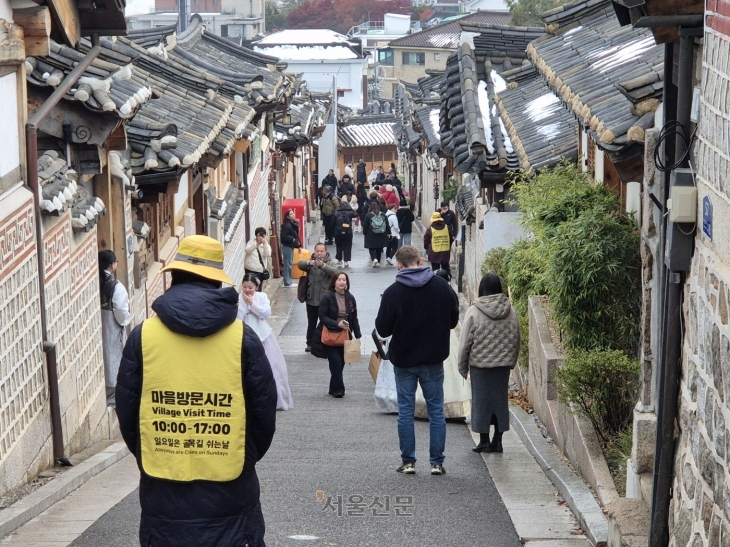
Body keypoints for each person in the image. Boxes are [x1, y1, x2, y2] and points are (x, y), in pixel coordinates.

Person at [116, 235, 277, 547]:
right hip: (231, 486)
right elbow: (263, 415)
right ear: (217, 282)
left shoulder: (143, 336)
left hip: (163, 485)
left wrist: (156, 450)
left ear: (174, 277)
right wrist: (241, 456)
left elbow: (128, 413)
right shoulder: (242, 339)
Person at [375, 245, 459, 476]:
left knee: (405, 410)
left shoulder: (393, 292)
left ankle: (409, 461)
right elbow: (452, 321)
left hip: (404, 359)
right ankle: (436, 462)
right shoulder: (442, 287)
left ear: (399, 265)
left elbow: (382, 328)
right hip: (433, 357)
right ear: (421, 261)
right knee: (436, 410)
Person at [458, 273, 520, 454]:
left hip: (480, 366)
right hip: (502, 367)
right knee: (500, 402)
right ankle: (498, 441)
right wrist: (512, 361)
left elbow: (465, 343)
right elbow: (516, 339)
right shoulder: (511, 310)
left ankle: (484, 441)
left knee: (481, 402)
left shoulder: (474, 311)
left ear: (482, 288)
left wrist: (462, 366)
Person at [238, 273, 293, 411]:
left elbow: (265, 314)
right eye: (245, 287)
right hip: (245, 334)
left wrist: (252, 304)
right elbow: (238, 317)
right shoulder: (239, 298)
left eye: (250, 287)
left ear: (256, 287)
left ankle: (277, 400)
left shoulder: (261, 297)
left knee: (272, 366)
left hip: (263, 334)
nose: (247, 290)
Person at [318, 272, 361, 398]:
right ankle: (339, 390)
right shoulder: (327, 297)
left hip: (345, 336)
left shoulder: (350, 298)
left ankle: (333, 387)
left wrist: (358, 336)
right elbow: (322, 316)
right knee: (335, 362)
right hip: (331, 335)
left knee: (341, 363)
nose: (342, 282)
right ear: (334, 282)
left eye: (344, 280)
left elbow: (354, 318)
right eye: (339, 280)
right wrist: (338, 324)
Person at [99, 250, 131, 407]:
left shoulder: (97, 280)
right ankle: (112, 397)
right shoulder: (115, 286)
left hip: (100, 323)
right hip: (112, 324)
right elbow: (121, 311)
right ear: (112, 265)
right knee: (113, 355)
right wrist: (126, 321)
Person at [298, 243, 338, 352]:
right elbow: (300, 264)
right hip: (311, 298)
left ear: (326, 252)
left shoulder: (330, 262)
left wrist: (323, 266)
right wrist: (309, 263)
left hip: (325, 299)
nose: (319, 253)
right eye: (317, 251)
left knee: (325, 322)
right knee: (311, 322)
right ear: (314, 252)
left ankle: (324, 342)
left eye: (321, 251)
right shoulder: (311, 261)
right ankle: (310, 343)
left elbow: (335, 273)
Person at [363, 201, 390, 268]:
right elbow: (387, 224)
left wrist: (365, 233)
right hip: (382, 234)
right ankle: (378, 261)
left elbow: (365, 225)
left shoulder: (368, 215)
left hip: (371, 234)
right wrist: (389, 232)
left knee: (371, 248)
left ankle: (374, 259)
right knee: (379, 248)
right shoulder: (383, 214)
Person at [332, 199, 357, 267]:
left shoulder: (337, 213)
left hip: (338, 232)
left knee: (339, 245)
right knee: (347, 246)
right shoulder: (350, 213)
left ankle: (339, 260)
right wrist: (351, 209)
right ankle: (346, 261)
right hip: (348, 232)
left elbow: (332, 223)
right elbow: (356, 214)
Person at [280, 209, 301, 288]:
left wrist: (298, 245)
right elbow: (283, 237)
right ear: (288, 216)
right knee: (287, 265)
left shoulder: (292, 224)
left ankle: (289, 281)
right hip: (287, 247)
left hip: (291, 246)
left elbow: (296, 235)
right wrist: (292, 239)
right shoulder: (287, 225)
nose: (293, 215)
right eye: (291, 214)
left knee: (289, 264)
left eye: (293, 213)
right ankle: (287, 282)